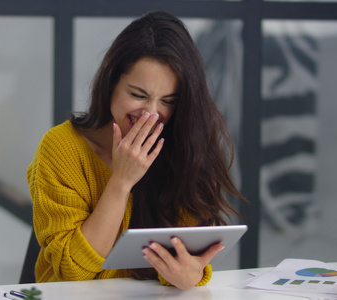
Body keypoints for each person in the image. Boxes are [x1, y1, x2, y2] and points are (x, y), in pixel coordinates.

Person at [27, 10, 244, 290]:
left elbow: (187, 255)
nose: (151, 114)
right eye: (138, 95)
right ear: (110, 84)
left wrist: (188, 275)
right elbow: (72, 272)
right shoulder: (61, 147)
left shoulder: (182, 147)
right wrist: (121, 180)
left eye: (167, 100)